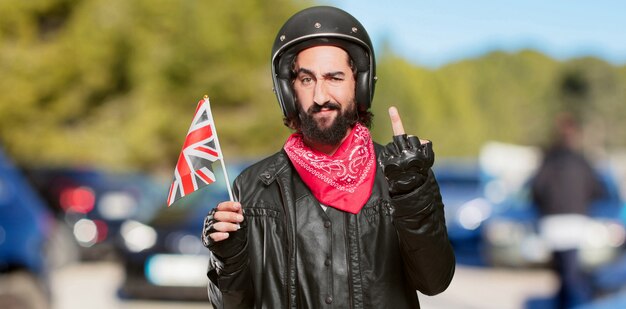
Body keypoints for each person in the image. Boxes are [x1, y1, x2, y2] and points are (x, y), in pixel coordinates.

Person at [201, 6, 455, 308]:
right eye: (307, 80)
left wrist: (412, 195)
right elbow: (229, 305)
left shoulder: (401, 174)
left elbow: (434, 281)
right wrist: (227, 260)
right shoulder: (252, 188)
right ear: (288, 90)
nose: (320, 96)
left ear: (359, 84)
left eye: (334, 77)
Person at [531, 112, 605, 309]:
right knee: (570, 274)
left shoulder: (548, 161)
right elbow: (598, 190)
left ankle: (567, 302)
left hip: (552, 224)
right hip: (575, 222)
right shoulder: (582, 162)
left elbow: (536, 190)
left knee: (564, 274)